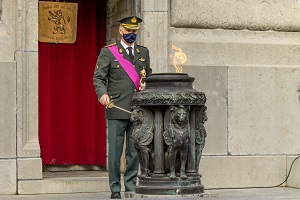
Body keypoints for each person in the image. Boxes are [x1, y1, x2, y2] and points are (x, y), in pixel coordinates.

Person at [93, 16, 152, 199]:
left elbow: (148, 76)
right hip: (116, 107)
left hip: (137, 110)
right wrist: (102, 94)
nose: (132, 35)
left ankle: (130, 187)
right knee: (115, 151)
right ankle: (115, 188)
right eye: (128, 31)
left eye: (135, 31)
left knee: (134, 150)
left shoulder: (143, 52)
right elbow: (98, 78)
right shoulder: (109, 52)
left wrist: (146, 85)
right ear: (120, 30)